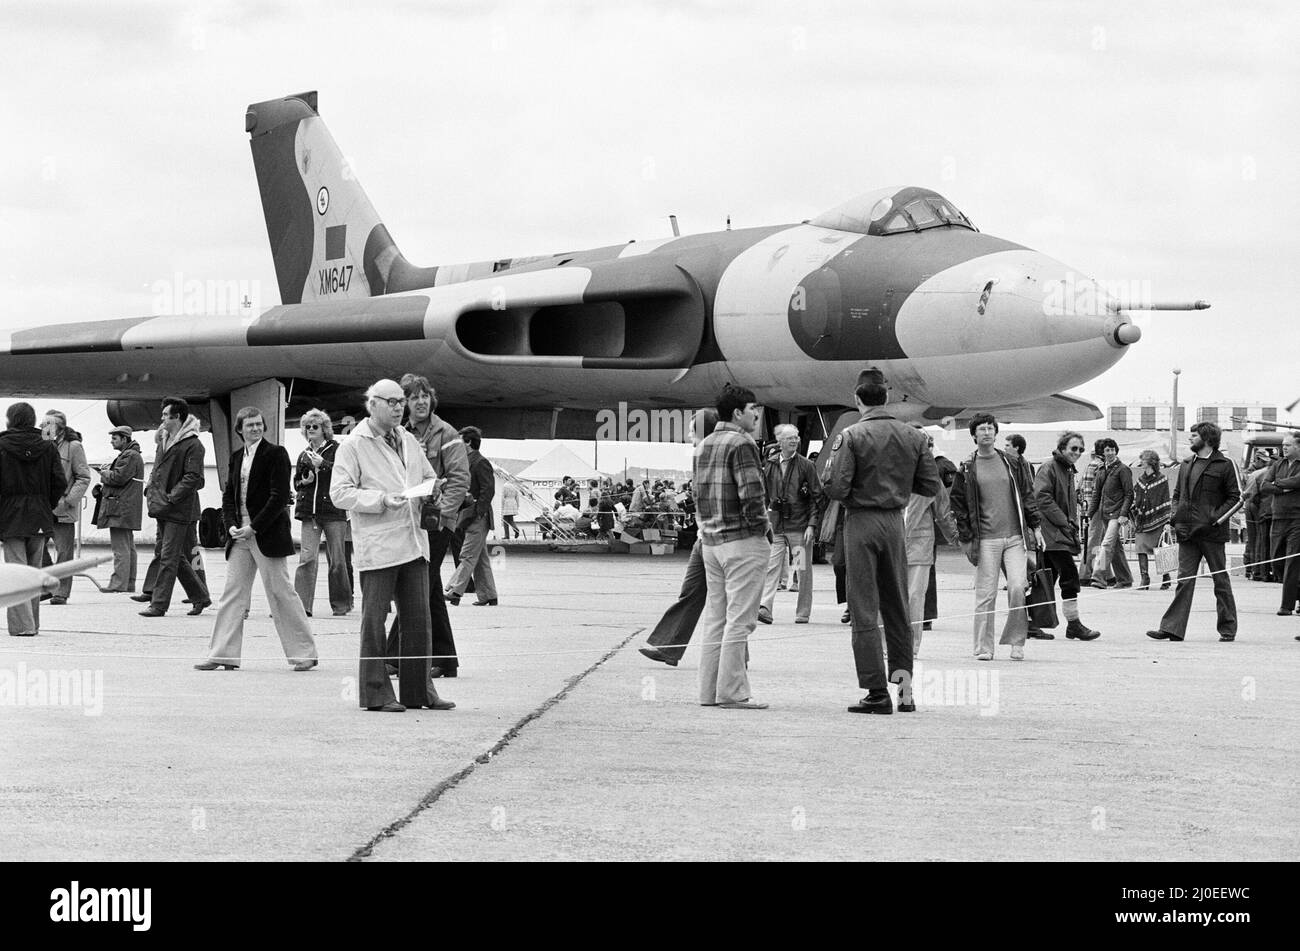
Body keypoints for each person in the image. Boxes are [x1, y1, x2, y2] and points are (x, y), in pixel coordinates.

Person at [331, 378, 454, 712]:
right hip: (380, 545)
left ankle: (419, 691)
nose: (401, 407)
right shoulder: (354, 445)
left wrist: (434, 489)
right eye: (393, 402)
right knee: (374, 621)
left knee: (418, 619)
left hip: (414, 542)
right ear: (373, 405)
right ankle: (376, 693)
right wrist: (381, 499)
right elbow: (339, 493)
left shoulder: (409, 440)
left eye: (402, 401)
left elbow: (428, 476)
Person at [823, 381, 940, 712]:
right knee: (897, 606)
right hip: (894, 523)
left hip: (861, 520)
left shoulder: (851, 436)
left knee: (863, 607)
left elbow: (836, 486)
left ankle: (876, 692)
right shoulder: (914, 436)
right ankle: (905, 692)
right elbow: (930, 484)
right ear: (887, 399)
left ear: (857, 400)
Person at [196, 406, 319, 671]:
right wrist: (230, 525)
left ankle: (305, 653)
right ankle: (223, 654)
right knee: (232, 593)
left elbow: (278, 497)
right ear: (240, 429)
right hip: (239, 534)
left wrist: (254, 527)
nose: (255, 428)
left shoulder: (276, 454)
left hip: (266, 533)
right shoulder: (237, 456)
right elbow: (229, 496)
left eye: (259, 424)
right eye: (250, 425)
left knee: (280, 592)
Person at [383, 373, 471, 679]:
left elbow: (460, 480)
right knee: (430, 589)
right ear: (404, 403)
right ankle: (446, 660)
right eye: (413, 397)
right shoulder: (401, 435)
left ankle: (393, 656)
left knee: (416, 586)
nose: (420, 402)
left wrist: (440, 516)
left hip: (436, 524)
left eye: (424, 396)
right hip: (412, 522)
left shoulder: (446, 434)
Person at [694, 385, 770, 710]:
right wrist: (762, 528)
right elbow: (752, 494)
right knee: (740, 619)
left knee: (716, 618)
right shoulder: (743, 442)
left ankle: (708, 692)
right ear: (738, 413)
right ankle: (732, 692)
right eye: (753, 408)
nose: (757, 414)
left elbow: (698, 495)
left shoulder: (704, 444)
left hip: (710, 542)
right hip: (741, 541)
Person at [950, 413, 1040, 661]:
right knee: (986, 595)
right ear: (974, 435)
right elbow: (958, 504)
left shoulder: (1012, 462)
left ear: (996, 433)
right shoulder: (967, 467)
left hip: (1014, 538)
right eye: (982, 429)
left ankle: (1016, 642)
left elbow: (1027, 494)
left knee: (1017, 588)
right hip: (986, 539)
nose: (987, 432)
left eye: (990, 428)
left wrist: (1036, 525)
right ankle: (983, 647)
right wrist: (967, 537)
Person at [1147, 422, 1241, 643]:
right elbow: (1177, 494)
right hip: (1187, 533)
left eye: (1194, 435)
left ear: (1207, 439)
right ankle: (1172, 629)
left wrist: (1215, 520)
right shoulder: (1186, 464)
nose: (1189, 439)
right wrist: (1174, 517)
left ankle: (1228, 629)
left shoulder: (1226, 465)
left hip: (1212, 534)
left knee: (1220, 580)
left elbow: (1237, 498)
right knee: (1184, 580)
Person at [640, 409, 718, 667]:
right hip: (702, 537)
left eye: (692, 430)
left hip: (718, 539)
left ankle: (734, 657)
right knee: (691, 592)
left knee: (726, 602)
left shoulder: (717, 457)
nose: (688, 435)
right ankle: (669, 647)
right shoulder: (700, 457)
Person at [139, 398, 211, 618]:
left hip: (178, 509)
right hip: (163, 506)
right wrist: (152, 488)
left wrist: (171, 498)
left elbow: (194, 477)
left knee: (169, 557)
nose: (161, 418)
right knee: (173, 556)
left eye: (165, 415)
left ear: (177, 417)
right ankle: (200, 596)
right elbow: (158, 470)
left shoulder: (193, 445)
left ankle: (159, 604)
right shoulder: (163, 439)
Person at [0, 403, 67, 636]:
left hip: (9, 516)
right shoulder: (47, 446)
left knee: (16, 573)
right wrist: (46, 504)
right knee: (34, 571)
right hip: (39, 514)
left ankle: (22, 626)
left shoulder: (2, 445)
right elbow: (60, 481)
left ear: (10, 419)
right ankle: (33, 623)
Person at [1032, 432, 1101, 641]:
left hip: (1058, 531)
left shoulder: (1067, 470)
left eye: (1080, 449)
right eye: (1073, 448)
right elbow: (1042, 497)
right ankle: (1073, 624)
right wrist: (1065, 521)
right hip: (1051, 532)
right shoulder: (1050, 467)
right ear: (1062, 448)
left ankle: (1031, 623)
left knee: (1047, 577)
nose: (1077, 453)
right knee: (1069, 575)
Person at [758, 423, 824, 625]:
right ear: (780, 442)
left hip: (799, 528)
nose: (794, 441)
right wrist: (765, 520)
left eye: (796, 437)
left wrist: (812, 525)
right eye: (790, 438)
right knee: (772, 567)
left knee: (802, 570)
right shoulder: (770, 464)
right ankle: (765, 607)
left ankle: (803, 612)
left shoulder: (806, 466)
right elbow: (765, 495)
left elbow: (816, 497)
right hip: (777, 527)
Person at [292, 410, 352, 617]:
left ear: (324, 429)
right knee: (307, 558)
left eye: (314, 427)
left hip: (333, 511)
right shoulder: (304, 454)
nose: (310, 430)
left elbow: (346, 475)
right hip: (310, 512)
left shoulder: (337, 450)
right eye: (307, 427)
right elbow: (296, 482)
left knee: (337, 560)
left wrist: (323, 465)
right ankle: (302, 605)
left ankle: (342, 604)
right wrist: (303, 481)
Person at [904, 463, 958, 655]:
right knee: (887, 595)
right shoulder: (886, 470)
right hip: (890, 542)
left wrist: (956, 538)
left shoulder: (930, 479)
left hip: (919, 543)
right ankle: (885, 643)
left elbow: (943, 512)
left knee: (915, 596)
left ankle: (910, 646)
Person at [40, 410, 91, 604]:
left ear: (59, 427)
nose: (43, 427)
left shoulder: (74, 446)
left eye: (47, 424)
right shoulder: (42, 445)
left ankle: (61, 592)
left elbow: (83, 477)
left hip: (62, 508)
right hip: (42, 507)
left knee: (64, 552)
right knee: (37, 548)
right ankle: (48, 586)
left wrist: (69, 500)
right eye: (42, 423)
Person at [445, 426, 499, 607]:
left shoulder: (480, 462)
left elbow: (488, 489)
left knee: (467, 554)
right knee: (480, 558)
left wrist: (478, 511)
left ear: (468, 442)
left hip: (476, 516)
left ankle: (454, 590)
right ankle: (488, 595)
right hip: (469, 515)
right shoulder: (467, 461)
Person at [93, 425, 144, 592]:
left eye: (115, 438)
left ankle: (118, 584)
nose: (111, 441)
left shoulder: (129, 456)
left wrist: (103, 472)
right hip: (126, 507)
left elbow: (118, 478)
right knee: (128, 547)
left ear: (124, 439)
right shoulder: (133, 455)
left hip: (119, 508)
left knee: (120, 548)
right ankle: (128, 583)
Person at [1260, 432, 1300, 616]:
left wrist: (1278, 484)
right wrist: (1285, 486)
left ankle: (1287, 605)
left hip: (1296, 519)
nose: (1284, 447)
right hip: (1277, 517)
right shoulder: (1278, 464)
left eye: (1288, 445)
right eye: (1283, 444)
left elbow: (1298, 481)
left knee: (1293, 561)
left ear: (1298, 447)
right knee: (1276, 560)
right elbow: (1265, 485)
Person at [1087, 438, 1134, 589]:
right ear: (1102, 452)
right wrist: (1091, 513)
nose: (1110, 452)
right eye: (1107, 450)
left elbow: (1129, 494)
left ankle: (1098, 577)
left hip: (1116, 514)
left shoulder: (1123, 469)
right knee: (1116, 549)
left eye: (1113, 449)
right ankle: (1125, 579)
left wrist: (1123, 514)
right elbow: (1096, 493)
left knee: (1106, 545)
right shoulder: (1102, 470)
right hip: (1104, 513)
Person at [1130, 449, 1173, 590]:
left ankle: (1166, 578)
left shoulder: (1161, 479)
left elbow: (1166, 500)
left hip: (1159, 520)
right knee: (1140, 548)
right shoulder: (1140, 480)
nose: (1141, 462)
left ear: (1151, 462)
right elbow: (1135, 497)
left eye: (1143, 460)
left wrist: (1167, 521)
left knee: (1162, 549)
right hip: (1142, 521)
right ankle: (1145, 579)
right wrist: (1133, 511)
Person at [1241, 449, 1272, 580]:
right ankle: (1255, 568)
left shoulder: (1253, 473)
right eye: (1262, 461)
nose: (1265, 464)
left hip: (1251, 504)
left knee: (1253, 538)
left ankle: (1250, 567)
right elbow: (1251, 494)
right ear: (1257, 459)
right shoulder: (1253, 473)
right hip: (1254, 505)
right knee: (1258, 538)